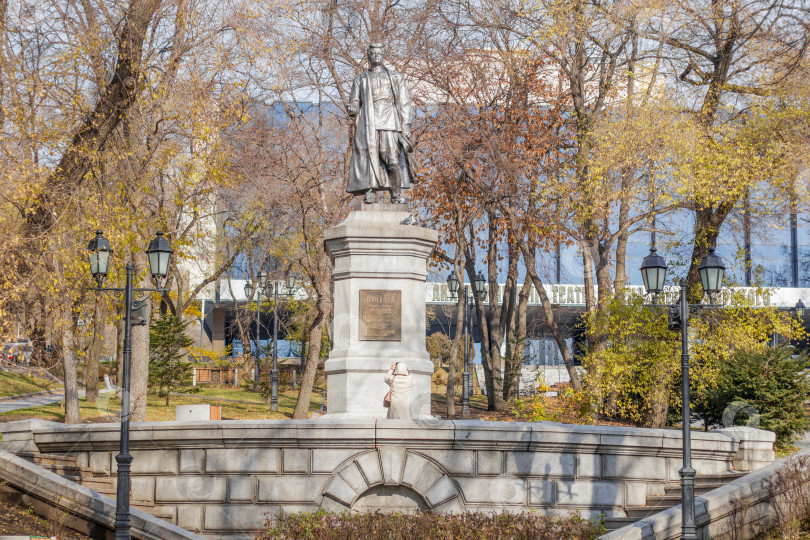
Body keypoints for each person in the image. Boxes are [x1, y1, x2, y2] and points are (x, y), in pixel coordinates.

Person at [346, 43, 414, 204]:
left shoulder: (396, 77)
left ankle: (396, 195)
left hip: (390, 121)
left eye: (379, 53)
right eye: (373, 54)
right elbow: (354, 101)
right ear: (368, 56)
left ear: (383, 55)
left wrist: (406, 126)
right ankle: (370, 191)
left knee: (392, 160)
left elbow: (405, 103)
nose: (376, 56)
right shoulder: (360, 79)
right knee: (369, 158)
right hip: (368, 123)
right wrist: (352, 107)